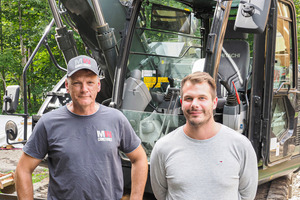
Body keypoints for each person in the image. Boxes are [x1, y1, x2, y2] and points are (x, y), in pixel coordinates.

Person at [15, 55, 148, 200]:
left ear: (98, 85)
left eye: (90, 82)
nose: (84, 89)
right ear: (67, 86)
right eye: (77, 83)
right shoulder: (49, 123)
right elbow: (23, 170)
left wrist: (136, 197)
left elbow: (140, 158)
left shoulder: (116, 119)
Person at [150, 71, 258, 200]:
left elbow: (247, 196)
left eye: (202, 98)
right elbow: (161, 195)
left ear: (214, 102)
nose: (195, 104)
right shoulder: (163, 147)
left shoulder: (240, 146)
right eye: (189, 98)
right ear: (181, 102)